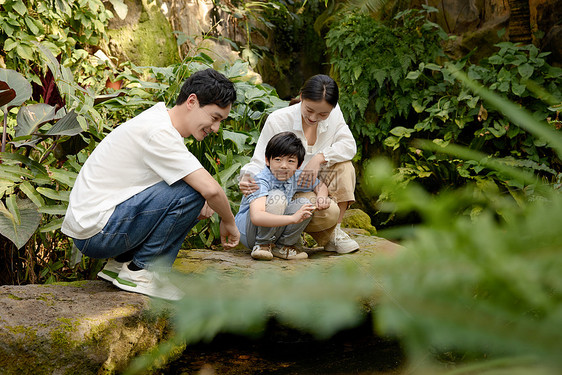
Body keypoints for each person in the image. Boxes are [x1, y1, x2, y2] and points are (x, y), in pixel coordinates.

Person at [62, 68, 240, 301]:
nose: (216, 128)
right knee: (194, 191)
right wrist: (229, 221)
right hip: (98, 233)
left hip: (95, 228)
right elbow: (211, 189)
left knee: (194, 190)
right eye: (214, 118)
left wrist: (204, 201)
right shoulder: (159, 132)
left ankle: (121, 263)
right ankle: (143, 271)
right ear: (192, 101)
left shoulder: (158, 122)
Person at [239, 74, 358, 254]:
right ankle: (285, 240)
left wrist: (320, 158)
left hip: (316, 183)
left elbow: (349, 146)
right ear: (301, 97)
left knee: (345, 166)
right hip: (288, 187)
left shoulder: (334, 114)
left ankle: (335, 233)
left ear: (332, 109)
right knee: (315, 208)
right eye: (309, 110)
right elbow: (261, 160)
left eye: (323, 114)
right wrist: (247, 178)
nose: (314, 117)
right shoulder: (278, 120)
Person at [235, 131, 331, 260]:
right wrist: (293, 219)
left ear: (299, 165)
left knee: (307, 203)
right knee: (277, 197)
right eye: (278, 159)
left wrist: (322, 197)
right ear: (267, 160)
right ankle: (262, 245)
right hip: (250, 232)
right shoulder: (260, 180)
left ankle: (282, 247)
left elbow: (320, 185)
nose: (284, 166)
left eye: (291, 161)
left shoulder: (295, 176)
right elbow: (257, 217)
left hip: (273, 230)